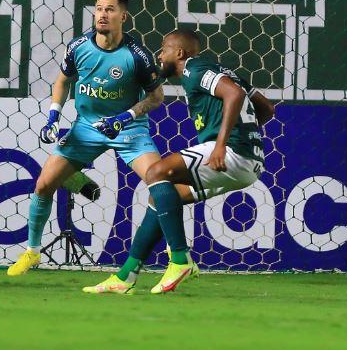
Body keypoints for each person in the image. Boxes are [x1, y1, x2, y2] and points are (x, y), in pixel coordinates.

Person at [83, 28, 274, 294]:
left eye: (164, 49)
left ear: (180, 53)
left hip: (231, 152)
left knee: (155, 172)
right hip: (250, 162)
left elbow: (234, 94)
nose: (159, 55)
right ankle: (125, 276)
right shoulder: (219, 71)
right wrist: (244, 134)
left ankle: (180, 260)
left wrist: (222, 144)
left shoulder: (195, 69)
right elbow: (266, 107)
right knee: (162, 197)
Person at [7, 0, 164, 276]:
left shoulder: (137, 55)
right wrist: (53, 116)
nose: (103, 14)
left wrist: (126, 116)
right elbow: (62, 82)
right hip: (86, 128)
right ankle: (32, 252)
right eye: (99, 9)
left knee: (161, 185)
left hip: (128, 129)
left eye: (110, 9)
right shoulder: (78, 46)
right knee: (43, 185)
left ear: (123, 16)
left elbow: (156, 98)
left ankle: (171, 254)